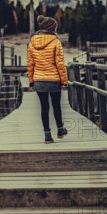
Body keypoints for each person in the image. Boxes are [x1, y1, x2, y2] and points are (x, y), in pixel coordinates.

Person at [27, 15, 68, 143]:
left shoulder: (32, 42)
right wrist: (64, 81)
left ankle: (47, 136)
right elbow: (60, 63)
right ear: (52, 28)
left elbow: (30, 63)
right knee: (56, 105)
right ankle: (60, 129)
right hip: (54, 80)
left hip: (39, 80)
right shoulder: (56, 42)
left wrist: (31, 80)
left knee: (44, 108)